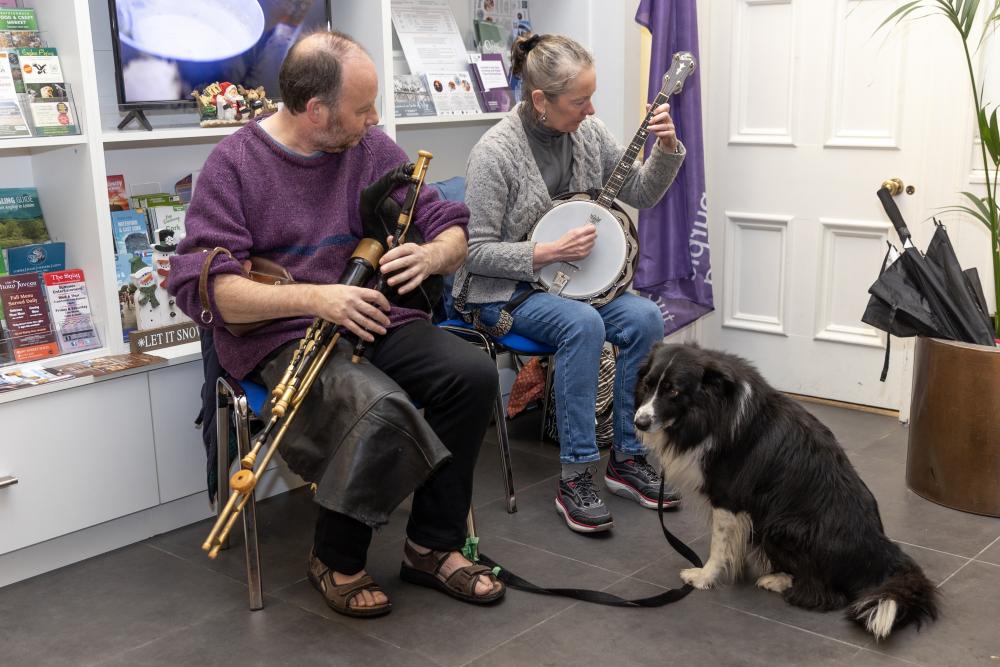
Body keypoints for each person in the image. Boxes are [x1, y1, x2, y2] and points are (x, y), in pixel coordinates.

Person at [168, 31, 504, 618]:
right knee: (373, 405)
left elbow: (449, 222)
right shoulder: (233, 166)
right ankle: (335, 558)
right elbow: (210, 290)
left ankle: (432, 545)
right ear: (315, 110)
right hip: (284, 334)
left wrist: (433, 254)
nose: (374, 120)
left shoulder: (369, 147)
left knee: (470, 375)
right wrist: (317, 298)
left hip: (375, 313)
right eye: (362, 108)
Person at [453, 34, 686, 534]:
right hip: (502, 292)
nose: (591, 108)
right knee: (582, 325)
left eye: (591, 96)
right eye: (579, 100)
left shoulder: (590, 133)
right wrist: (546, 252)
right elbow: (472, 253)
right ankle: (577, 473)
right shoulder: (494, 154)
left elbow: (642, 191)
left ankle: (627, 457)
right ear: (541, 100)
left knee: (644, 316)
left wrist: (666, 147)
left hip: (574, 285)